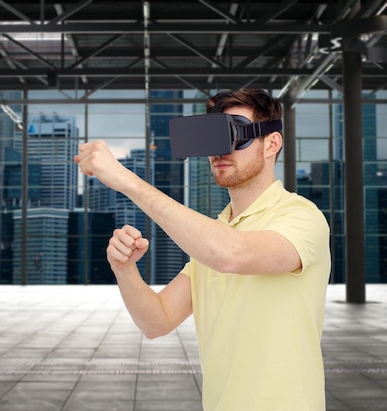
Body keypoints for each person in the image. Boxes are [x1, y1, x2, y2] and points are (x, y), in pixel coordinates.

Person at [74, 88, 331, 411]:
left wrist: (127, 181)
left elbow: (232, 255)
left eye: (234, 135)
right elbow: (157, 321)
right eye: (213, 138)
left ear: (272, 143)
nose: (219, 151)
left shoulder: (300, 216)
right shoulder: (216, 235)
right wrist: (124, 269)